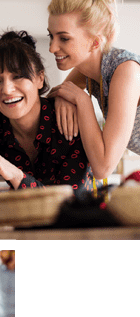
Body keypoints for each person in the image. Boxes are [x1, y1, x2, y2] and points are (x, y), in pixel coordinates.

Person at [0, 30, 95, 197]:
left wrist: (15, 174)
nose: (7, 90)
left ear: (40, 78)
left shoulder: (69, 122)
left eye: (18, 77)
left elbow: (68, 200)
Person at [47, 0, 140, 181]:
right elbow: (57, 95)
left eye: (64, 38)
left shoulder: (126, 71)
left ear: (95, 42)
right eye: (51, 36)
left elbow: (103, 168)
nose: (52, 48)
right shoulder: (86, 70)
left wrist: (82, 101)